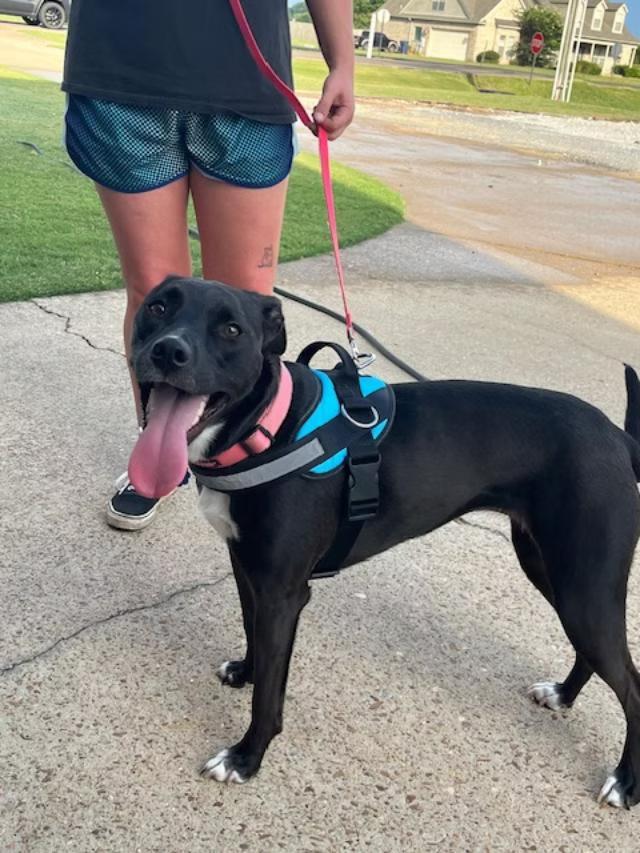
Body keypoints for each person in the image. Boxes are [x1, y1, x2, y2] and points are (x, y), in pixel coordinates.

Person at [61, 0, 355, 530]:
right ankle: (162, 459)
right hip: (121, 71)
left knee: (243, 300)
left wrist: (344, 62)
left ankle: (243, 460)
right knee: (155, 294)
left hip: (245, 79)